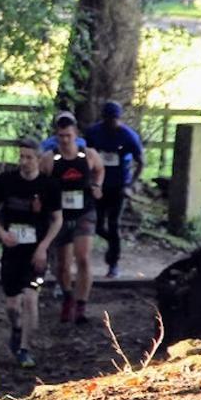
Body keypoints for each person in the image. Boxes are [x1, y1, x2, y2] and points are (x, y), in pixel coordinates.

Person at [0, 140, 63, 369]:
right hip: (11, 250)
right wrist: (1, 233)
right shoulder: (6, 181)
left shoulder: (49, 186)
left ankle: (25, 348)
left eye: (29, 157)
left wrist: (43, 247)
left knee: (30, 298)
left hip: (35, 252)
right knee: (12, 305)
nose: (24, 162)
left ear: (38, 159)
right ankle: (16, 329)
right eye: (22, 157)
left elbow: (57, 219)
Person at [42, 111, 104, 324]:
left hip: (84, 211)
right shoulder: (50, 159)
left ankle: (81, 305)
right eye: (61, 136)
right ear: (56, 136)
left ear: (75, 134)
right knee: (62, 264)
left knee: (83, 256)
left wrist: (97, 185)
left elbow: (100, 170)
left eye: (69, 135)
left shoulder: (87, 155)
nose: (65, 140)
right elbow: (40, 182)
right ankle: (68, 295)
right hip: (60, 215)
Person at [83, 101, 145, 278]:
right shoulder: (94, 132)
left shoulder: (128, 136)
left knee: (113, 223)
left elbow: (141, 162)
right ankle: (114, 243)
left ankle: (113, 263)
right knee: (97, 225)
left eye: (115, 119)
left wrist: (130, 185)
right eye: (109, 119)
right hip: (99, 184)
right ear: (104, 118)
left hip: (119, 186)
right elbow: (85, 156)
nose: (112, 123)